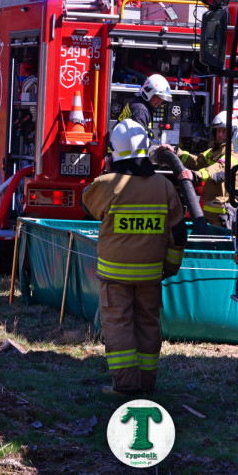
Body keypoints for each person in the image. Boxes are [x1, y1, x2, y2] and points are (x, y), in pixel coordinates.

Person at [82, 119, 187, 395]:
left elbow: (86, 202)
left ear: (114, 152)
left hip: (115, 277)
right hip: (151, 276)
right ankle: (147, 383)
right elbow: (178, 233)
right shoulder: (163, 187)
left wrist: (107, 171)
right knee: (148, 326)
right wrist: (171, 267)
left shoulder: (107, 184)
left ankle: (126, 387)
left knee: (119, 326)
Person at [176, 111, 238, 229]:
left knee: (222, 246)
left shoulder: (234, 152)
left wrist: (195, 175)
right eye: (218, 131)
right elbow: (196, 162)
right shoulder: (213, 151)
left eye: (224, 131)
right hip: (209, 214)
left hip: (224, 215)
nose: (220, 135)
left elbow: (219, 168)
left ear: (233, 132)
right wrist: (176, 152)